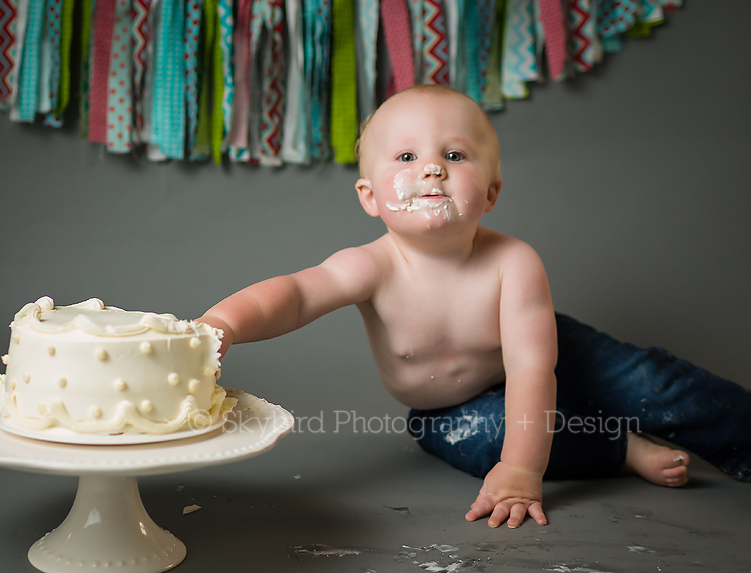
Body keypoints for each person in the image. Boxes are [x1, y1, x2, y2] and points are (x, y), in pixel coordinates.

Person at [198, 85, 750, 529]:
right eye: (407, 156)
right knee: (489, 441)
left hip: (547, 356)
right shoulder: (370, 265)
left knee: (653, 380)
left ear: (489, 192)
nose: (432, 168)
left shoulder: (514, 261)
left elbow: (534, 368)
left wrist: (522, 469)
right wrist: (224, 325)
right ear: (369, 197)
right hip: (449, 409)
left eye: (454, 155)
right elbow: (295, 295)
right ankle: (620, 448)